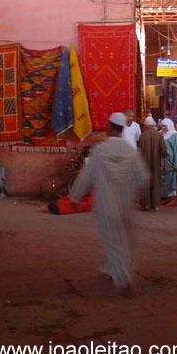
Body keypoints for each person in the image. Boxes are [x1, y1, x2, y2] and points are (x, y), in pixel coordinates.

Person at [70, 112, 148, 296]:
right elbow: (143, 177)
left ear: (109, 127)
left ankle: (123, 279)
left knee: (112, 242)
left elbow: (86, 177)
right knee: (122, 242)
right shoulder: (130, 151)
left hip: (106, 205)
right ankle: (110, 269)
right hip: (125, 205)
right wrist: (133, 193)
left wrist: (75, 198)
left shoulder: (100, 151)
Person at [137, 116, 167, 211]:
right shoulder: (159, 136)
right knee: (156, 182)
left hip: (144, 164)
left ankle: (144, 204)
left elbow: (139, 152)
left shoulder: (142, 136)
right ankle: (154, 205)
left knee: (145, 183)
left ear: (146, 125)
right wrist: (165, 165)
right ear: (153, 125)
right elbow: (164, 152)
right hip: (156, 165)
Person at [160, 118, 177, 207]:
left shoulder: (175, 136)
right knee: (163, 180)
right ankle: (166, 198)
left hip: (171, 162)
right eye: (162, 125)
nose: (163, 127)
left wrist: (176, 164)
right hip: (162, 162)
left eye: (164, 126)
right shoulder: (161, 134)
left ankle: (172, 199)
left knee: (171, 180)